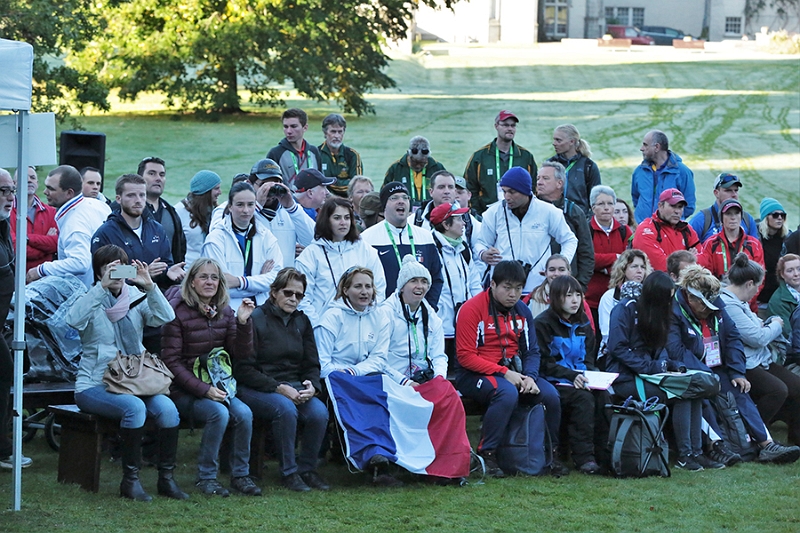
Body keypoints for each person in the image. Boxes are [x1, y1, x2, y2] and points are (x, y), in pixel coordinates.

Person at [315, 266, 469, 484]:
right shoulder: (334, 317)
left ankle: (449, 461)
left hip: (374, 376)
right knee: (379, 397)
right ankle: (380, 459)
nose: (364, 291)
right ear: (345, 290)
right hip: (349, 380)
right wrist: (400, 381)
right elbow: (324, 364)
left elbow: (434, 356)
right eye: (358, 286)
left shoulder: (419, 316)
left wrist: (439, 379)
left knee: (448, 396)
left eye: (368, 286)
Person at [67, 245, 186, 500]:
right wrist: (101, 288)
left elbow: (166, 317)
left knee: (168, 409)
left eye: (121, 268)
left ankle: (166, 479)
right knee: (135, 408)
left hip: (134, 381)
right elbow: (73, 320)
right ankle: (130, 481)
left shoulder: (135, 297)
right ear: (98, 273)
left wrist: (151, 287)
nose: (116, 274)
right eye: (110, 269)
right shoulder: (90, 298)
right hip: (95, 384)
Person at [161, 259, 262, 497]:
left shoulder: (224, 311)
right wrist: (203, 390)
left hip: (217, 385)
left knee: (244, 413)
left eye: (214, 277)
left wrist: (243, 323)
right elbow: (171, 362)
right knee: (218, 413)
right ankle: (206, 477)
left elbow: (241, 353)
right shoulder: (176, 312)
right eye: (203, 277)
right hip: (182, 390)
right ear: (192, 282)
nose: (209, 282)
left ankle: (240, 475)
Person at [454, 261, 563, 477]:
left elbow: (532, 351)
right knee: (506, 393)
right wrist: (504, 372)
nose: (513, 294)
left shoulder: (522, 310)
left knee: (550, 395)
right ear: (493, 284)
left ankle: (550, 454)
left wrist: (530, 377)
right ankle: (487, 454)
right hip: (473, 374)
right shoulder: (472, 309)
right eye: (507, 287)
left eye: (518, 288)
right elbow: (465, 357)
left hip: (513, 372)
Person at [606, 272, 715, 471]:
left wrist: (670, 365)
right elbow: (617, 348)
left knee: (695, 390)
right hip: (624, 377)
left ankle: (696, 453)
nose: (669, 303)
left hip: (651, 375)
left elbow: (659, 347)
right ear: (655, 296)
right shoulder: (625, 309)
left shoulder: (659, 312)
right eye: (667, 298)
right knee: (682, 394)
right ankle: (685, 456)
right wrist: (651, 368)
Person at [235, 268, 331, 492]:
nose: (293, 299)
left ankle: (307, 469)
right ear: (274, 292)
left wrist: (312, 386)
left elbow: (312, 363)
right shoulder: (256, 318)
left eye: (299, 295)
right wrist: (278, 388)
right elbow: (243, 369)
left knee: (319, 413)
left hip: (294, 385)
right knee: (285, 409)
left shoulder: (302, 321)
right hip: (258, 386)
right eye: (288, 293)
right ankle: (289, 472)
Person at [698, 257, 800, 460]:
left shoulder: (740, 302)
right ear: (749, 283)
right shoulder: (729, 304)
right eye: (758, 286)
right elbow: (757, 337)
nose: (758, 291)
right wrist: (776, 324)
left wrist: (765, 326)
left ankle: (794, 437)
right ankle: (751, 437)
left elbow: (757, 329)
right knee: (777, 390)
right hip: (744, 363)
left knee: (796, 386)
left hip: (760, 359)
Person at [534, 275, 605, 474]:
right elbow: (544, 363)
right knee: (583, 399)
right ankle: (584, 457)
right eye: (568, 295)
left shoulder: (583, 323)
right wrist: (571, 376)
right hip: (554, 380)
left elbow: (589, 358)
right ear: (556, 298)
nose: (575, 300)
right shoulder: (543, 324)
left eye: (578, 295)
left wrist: (589, 376)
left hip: (580, 378)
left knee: (603, 396)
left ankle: (604, 454)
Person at [474, 167, 578, 294]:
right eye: (504, 191)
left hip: (538, 289)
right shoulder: (493, 213)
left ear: (525, 191)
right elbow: (481, 243)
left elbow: (569, 240)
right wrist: (483, 254)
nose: (507, 197)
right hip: (503, 289)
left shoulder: (548, 211)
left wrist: (560, 265)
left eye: (512, 192)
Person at [296, 196, 386, 326]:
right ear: (326, 220)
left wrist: (367, 318)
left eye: (347, 218)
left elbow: (379, 289)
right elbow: (302, 298)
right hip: (324, 327)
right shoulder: (311, 254)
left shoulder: (365, 250)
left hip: (362, 325)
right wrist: (318, 326)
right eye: (337, 218)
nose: (343, 222)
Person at [91, 174, 185, 289]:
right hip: (121, 299)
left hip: (153, 296)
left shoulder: (157, 229)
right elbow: (104, 273)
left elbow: (165, 263)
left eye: (142, 195)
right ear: (118, 199)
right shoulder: (105, 233)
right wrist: (141, 273)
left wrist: (169, 271)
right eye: (131, 195)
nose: (138, 200)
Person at [202, 182, 284, 312]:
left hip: (263, 313)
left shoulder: (266, 236)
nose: (246, 210)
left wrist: (240, 282)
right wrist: (260, 283)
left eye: (250, 204)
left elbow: (277, 279)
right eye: (240, 205)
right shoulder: (215, 239)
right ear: (230, 206)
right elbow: (221, 286)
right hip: (228, 313)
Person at [361, 181, 443, 308]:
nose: (401, 201)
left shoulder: (425, 236)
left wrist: (428, 307)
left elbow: (436, 277)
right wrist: (378, 311)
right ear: (384, 205)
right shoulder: (367, 238)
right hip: (383, 314)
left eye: (405, 197)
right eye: (394, 198)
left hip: (419, 313)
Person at [26, 165, 111, 287]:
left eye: (51, 189)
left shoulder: (74, 223)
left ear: (69, 193)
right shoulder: (99, 205)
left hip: (86, 292)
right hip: (107, 287)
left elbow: (80, 262)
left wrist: (41, 270)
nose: (45, 192)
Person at [0, 170, 31, 469]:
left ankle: (3, 446)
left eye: (12, 191)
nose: (10, 197)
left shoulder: (4, 225)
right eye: (3, 191)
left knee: (6, 373)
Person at [382, 255, 448, 385]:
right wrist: (405, 382)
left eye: (424, 281)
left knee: (448, 393)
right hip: (392, 382)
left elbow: (439, 356)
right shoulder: (385, 314)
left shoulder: (432, 317)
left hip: (424, 380)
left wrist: (439, 378)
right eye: (413, 281)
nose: (420, 286)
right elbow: (378, 359)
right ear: (402, 287)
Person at [429, 202, 482, 362]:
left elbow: (474, 284)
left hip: (466, 326)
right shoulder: (430, 248)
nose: (464, 223)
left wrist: (479, 313)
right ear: (446, 224)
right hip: (440, 328)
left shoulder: (463, 247)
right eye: (458, 219)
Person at [463, 110, 537, 214]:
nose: (510, 129)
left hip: (519, 214)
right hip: (487, 214)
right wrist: (479, 213)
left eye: (513, 125)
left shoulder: (525, 156)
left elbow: (533, 187)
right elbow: (470, 187)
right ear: (496, 126)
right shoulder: (480, 157)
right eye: (505, 125)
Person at [535, 161, 594, 290]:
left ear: (559, 183)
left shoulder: (574, 212)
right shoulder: (529, 210)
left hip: (567, 287)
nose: (539, 182)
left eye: (545, 178)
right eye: (538, 178)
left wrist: (579, 286)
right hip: (534, 285)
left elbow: (586, 253)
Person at [631, 130, 696, 223]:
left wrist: (671, 221)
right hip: (643, 228)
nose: (641, 148)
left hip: (670, 228)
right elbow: (636, 199)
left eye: (645, 145)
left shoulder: (682, 172)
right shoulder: (639, 171)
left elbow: (689, 206)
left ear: (657, 147)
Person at [586, 185, 632, 315]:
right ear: (593, 208)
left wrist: (603, 267)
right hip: (591, 300)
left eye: (610, 203)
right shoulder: (586, 230)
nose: (606, 208)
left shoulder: (624, 231)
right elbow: (588, 259)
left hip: (619, 298)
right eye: (601, 204)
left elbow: (629, 260)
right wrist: (616, 257)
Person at [699, 199, 764, 290]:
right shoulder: (710, 243)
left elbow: (759, 278)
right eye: (728, 213)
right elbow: (705, 274)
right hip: (718, 295)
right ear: (721, 218)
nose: (733, 217)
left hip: (746, 296)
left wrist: (746, 296)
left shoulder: (754, 244)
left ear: (741, 217)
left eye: (737, 213)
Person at [632, 188, 702, 272]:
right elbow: (661, 266)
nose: (677, 211)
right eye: (673, 206)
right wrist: (689, 260)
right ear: (660, 206)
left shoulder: (686, 229)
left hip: (686, 278)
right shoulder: (646, 230)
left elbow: (703, 261)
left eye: (680, 207)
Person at [597, 249, 651, 355]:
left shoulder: (649, 297)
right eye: (634, 266)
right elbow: (607, 334)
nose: (639, 270)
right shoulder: (609, 297)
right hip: (613, 353)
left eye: (643, 267)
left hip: (643, 353)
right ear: (623, 269)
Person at [138, 156, 187, 266]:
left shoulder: (171, 212)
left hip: (168, 276)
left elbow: (180, 249)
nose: (158, 178)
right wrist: (141, 272)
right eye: (152, 174)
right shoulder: (124, 210)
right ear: (139, 178)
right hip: (135, 276)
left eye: (162, 175)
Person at [8, 166, 58, 273]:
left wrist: (26, 238)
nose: (29, 180)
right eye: (24, 177)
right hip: (14, 276)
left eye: (32, 177)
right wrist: (45, 248)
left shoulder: (51, 212)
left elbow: (55, 244)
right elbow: (15, 249)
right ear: (14, 183)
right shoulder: (7, 212)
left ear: (37, 183)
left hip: (44, 276)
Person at [547, 124, 601, 214]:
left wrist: (587, 219)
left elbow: (596, 198)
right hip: (553, 216)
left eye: (558, 140)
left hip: (579, 218)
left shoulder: (588, 166)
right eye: (554, 139)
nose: (554, 143)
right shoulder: (550, 164)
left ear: (572, 141)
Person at [689, 173, 758, 243]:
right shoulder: (701, 220)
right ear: (716, 193)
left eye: (736, 190)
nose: (734, 194)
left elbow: (756, 247)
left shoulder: (747, 219)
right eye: (728, 190)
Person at [174, 170, 222, 268]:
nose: (220, 192)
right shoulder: (178, 211)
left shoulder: (216, 212)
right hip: (188, 271)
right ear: (206, 191)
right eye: (216, 188)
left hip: (211, 270)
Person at [383, 136, 446, 209]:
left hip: (432, 212)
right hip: (403, 212)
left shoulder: (437, 168)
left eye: (422, 162)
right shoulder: (396, 168)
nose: (418, 166)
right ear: (408, 155)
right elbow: (384, 194)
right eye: (415, 162)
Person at [267, 108, 322, 190]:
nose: (289, 131)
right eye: (285, 127)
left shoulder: (314, 151)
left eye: (293, 126)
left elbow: (321, 180)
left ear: (305, 127)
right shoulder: (275, 153)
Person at [318, 113, 363, 197]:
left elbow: (357, 185)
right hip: (323, 199)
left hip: (347, 199)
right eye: (333, 131)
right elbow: (316, 183)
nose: (337, 136)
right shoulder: (316, 153)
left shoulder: (353, 155)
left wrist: (328, 182)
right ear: (325, 133)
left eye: (340, 132)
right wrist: (346, 182)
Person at [757, 198, 789, 305]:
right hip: (759, 297)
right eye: (775, 215)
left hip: (779, 296)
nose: (779, 218)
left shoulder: (787, 238)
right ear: (766, 217)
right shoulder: (756, 238)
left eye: (782, 215)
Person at [768, 254, 800, 339]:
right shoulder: (778, 301)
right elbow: (787, 333)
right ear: (782, 274)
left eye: (799, 269)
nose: (796, 274)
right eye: (790, 270)